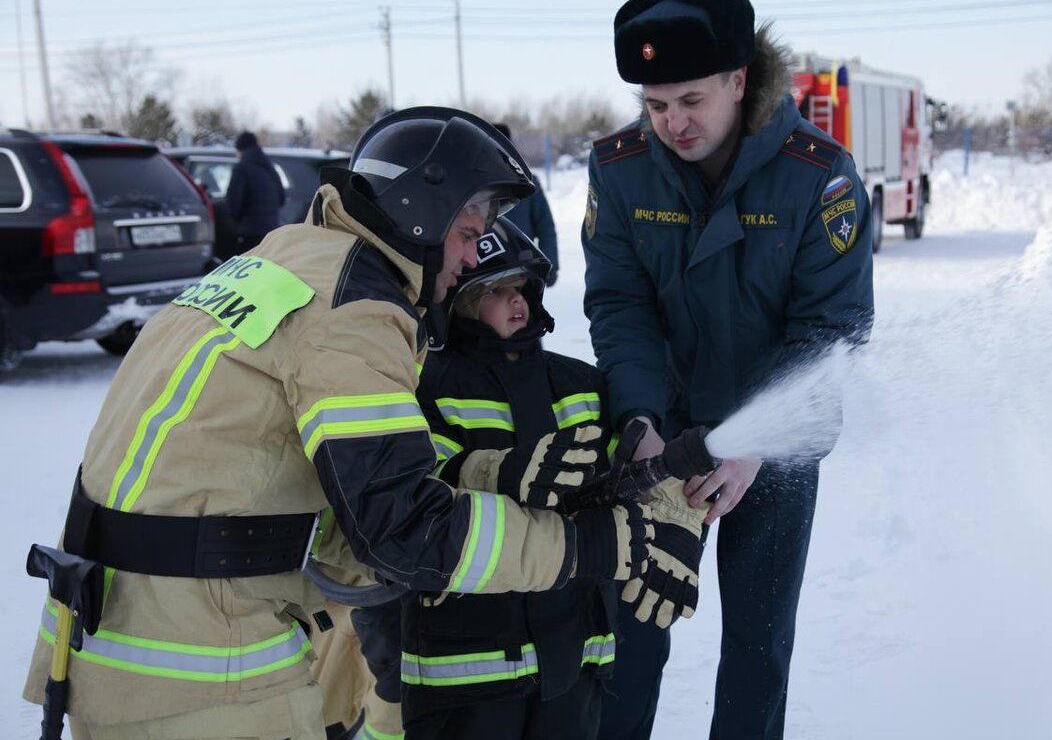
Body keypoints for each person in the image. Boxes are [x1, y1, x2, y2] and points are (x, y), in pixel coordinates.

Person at [23, 106, 653, 740]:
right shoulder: (353, 310)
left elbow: (303, 492)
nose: (471, 255)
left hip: (123, 637)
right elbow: (403, 532)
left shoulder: (284, 261)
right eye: (468, 231)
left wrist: (487, 473)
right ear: (422, 212)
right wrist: (590, 546)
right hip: (201, 670)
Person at [582, 0, 875, 739]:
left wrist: (747, 446)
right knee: (628, 639)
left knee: (757, 644)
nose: (672, 123)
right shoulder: (619, 170)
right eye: (655, 105)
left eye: (691, 100)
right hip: (660, 435)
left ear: (740, 81)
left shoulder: (819, 175)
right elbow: (620, 305)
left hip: (771, 455)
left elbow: (831, 330)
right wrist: (638, 418)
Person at [347, 217, 709, 740]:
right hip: (468, 666)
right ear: (459, 302)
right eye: (497, 290)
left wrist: (676, 519)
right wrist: (502, 472)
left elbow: (632, 467)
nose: (517, 301)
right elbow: (418, 484)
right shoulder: (428, 383)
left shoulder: (580, 382)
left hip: (577, 651)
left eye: (522, 288)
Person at [492, 123, 559, 285]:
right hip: (483, 270)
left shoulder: (527, 183)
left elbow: (545, 227)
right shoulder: (472, 185)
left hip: (521, 268)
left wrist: (550, 265)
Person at [226, 130, 285, 254]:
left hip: (248, 234)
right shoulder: (270, 168)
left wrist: (236, 222)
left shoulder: (241, 169)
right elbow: (281, 198)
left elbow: (233, 203)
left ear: (240, 149)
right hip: (271, 234)